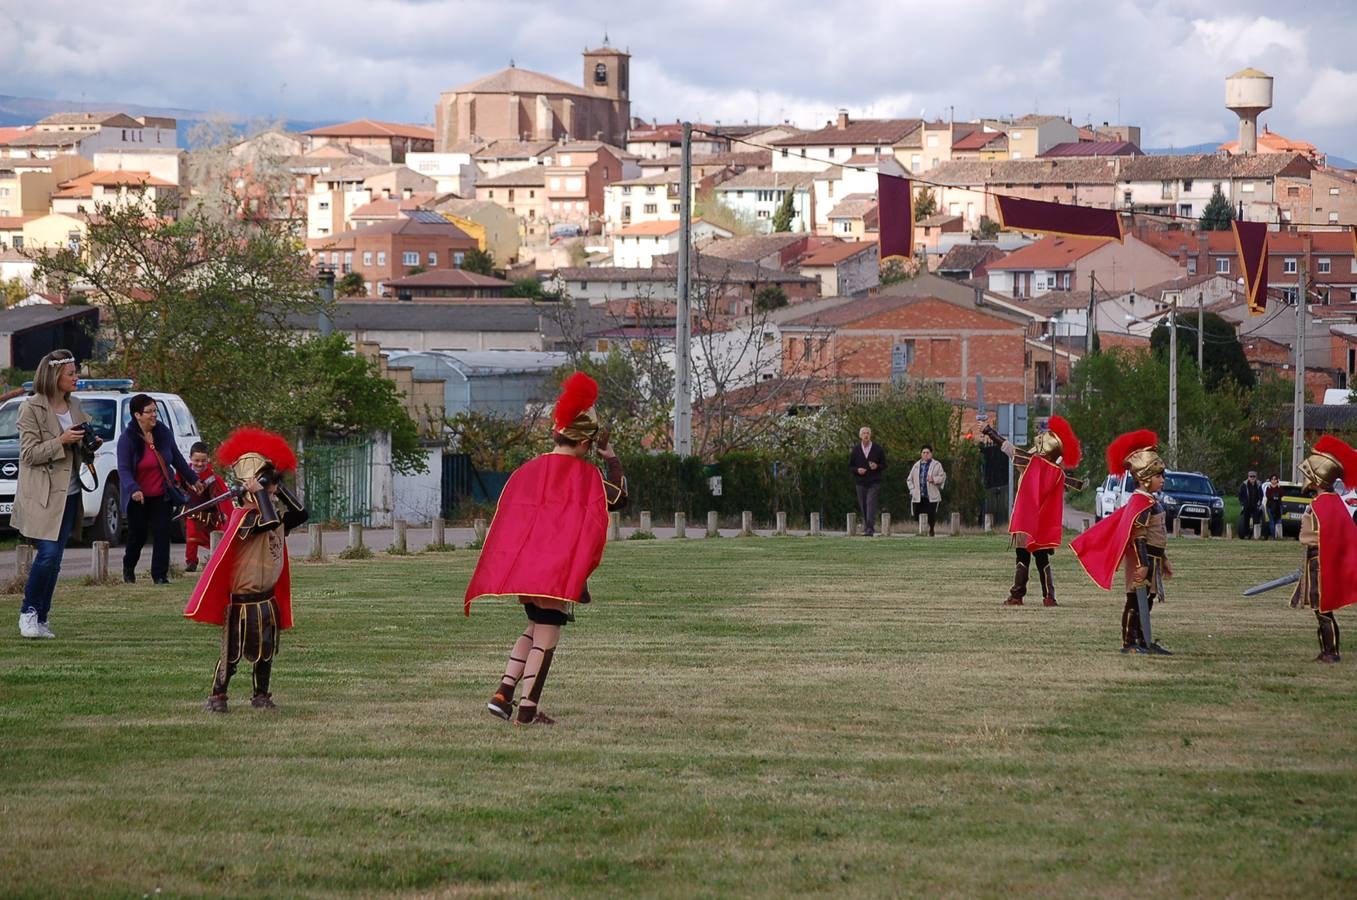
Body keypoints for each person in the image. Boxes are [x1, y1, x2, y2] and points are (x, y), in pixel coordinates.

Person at [465, 372, 627, 726]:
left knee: (534, 627)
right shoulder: (586, 478)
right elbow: (617, 497)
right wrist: (611, 459)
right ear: (585, 443)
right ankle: (527, 709)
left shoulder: (524, 471)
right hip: (555, 569)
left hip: (524, 568)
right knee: (548, 632)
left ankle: (503, 694)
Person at [184, 427, 308, 712]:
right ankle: (217, 696)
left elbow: (301, 513)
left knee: (265, 653)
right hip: (243, 600)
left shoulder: (272, 515)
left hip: (266, 599)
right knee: (232, 654)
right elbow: (263, 522)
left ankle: (261, 695)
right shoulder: (245, 518)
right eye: (266, 486)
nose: (272, 491)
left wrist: (275, 486)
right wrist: (259, 492)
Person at [12, 349, 101, 639]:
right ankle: (28, 612)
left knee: (56, 558)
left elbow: (79, 449)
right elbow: (28, 454)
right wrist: (60, 441)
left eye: (76, 372)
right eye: (71, 373)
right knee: (47, 555)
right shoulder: (30, 408)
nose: (77, 378)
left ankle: (43, 616)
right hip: (42, 495)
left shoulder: (75, 405)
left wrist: (89, 445)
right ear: (54, 376)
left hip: (70, 493)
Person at [1070, 429, 1173, 655]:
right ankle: (1130, 641)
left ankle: (1144, 639)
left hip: (1152, 558)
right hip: (1141, 560)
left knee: (1148, 600)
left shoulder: (1149, 501)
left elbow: (1158, 535)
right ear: (1145, 480)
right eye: (1159, 477)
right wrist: (1144, 564)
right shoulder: (1141, 503)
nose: (1162, 481)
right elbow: (1139, 537)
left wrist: (1162, 560)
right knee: (1135, 601)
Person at [983, 415, 1080, 607]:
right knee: (1042, 558)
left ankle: (1017, 594)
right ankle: (1049, 596)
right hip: (1042, 522)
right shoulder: (1057, 472)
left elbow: (1008, 449)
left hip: (1027, 519)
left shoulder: (1032, 465)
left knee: (1022, 556)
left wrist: (989, 431)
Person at [1286, 436, 1357, 663]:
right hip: (1317, 561)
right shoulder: (1332, 502)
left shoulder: (1321, 504)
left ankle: (1331, 652)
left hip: (1320, 563)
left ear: (1317, 478)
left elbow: (1321, 537)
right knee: (1320, 610)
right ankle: (1327, 650)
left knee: (1323, 609)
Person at [117, 393, 196, 584]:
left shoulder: (163, 433)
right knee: (138, 536)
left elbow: (176, 458)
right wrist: (134, 489)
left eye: (155, 411)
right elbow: (124, 469)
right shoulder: (127, 439)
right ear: (137, 415)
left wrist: (193, 479)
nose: (154, 415)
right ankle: (128, 568)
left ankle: (159, 575)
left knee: (162, 533)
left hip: (162, 494)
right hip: (138, 497)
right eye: (149, 411)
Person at [182, 441, 234, 573]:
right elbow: (176, 488)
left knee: (217, 538)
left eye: (203, 460)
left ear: (208, 459)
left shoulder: (213, 478)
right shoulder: (183, 474)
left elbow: (222, 497)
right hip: (193, 513)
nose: (199, 464)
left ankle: (217, 560)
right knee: (192, 537)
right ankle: (191, 562)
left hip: (212, 515)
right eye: (196, 460)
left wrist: (223, 513)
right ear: (190, 458)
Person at [849, 426, 886, 536]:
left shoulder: (878, 449)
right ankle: (867, 527)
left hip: (874, 482)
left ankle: (870, 529)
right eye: (864, 433)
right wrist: (857, 470)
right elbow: (850, 466)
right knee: (863, 505)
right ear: (860, 436)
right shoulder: (856, 450)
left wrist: (876, 466)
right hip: (860, 482)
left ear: (870, 435)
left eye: (868, 433)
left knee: (870, 503)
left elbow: (884, 465)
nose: (866, 435)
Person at [907, 445, 946, 536]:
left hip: (931, 495)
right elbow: (909, 479)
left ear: (931, 454)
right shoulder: (916, 465)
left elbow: (942, 477)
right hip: (919, 495)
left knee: (931, 515)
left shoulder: (937, 465)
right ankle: (922, 531)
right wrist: (912, 491)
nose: (925, 454)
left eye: (927, 453)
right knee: (917, 514)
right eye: (923, 453)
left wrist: (934, 479)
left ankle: (931, 530)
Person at [1237, 470, 1264, 539]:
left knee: (1256, 520)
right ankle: (1246, 534)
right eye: (1251, 476)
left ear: (1256, 477)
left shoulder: (1258, 484)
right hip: (1247, 506)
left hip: (1255, 505)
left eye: (1253, 476)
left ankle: (1256, 535)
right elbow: (1240, 495)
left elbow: (1261, 495)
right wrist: (1242, 503)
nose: (1252, 478)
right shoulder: (1244, 485)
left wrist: (1259, 503)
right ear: (1248, 477)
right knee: (1246, 520)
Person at [1263, 474, 1284, 540]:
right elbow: (1268, 496)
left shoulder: (1279, 487)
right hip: (1270, 506)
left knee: (1278, 521)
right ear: (1270, 480)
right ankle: (1273, 536)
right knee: (1272, 521)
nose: (1274, 480)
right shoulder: (1268, 487)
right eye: (1272, 479)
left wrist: (1278, 488)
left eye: (1275, 479)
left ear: (1277, 480)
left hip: (1278, 506)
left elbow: (1282, 494)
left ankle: (1279, 536)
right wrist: (1274, 495)